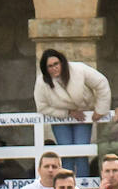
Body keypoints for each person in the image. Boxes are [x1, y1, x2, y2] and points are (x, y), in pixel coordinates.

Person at [34, 49, 111, 177]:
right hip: (60, 118)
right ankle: (65, 188)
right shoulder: (42, 81)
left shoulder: (78, 69)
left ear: (62, 62)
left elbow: (101, 83)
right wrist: (67, 112)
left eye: (56, 64)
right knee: (66, 155)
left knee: (81, 154)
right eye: (50, 66)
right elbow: (42, 107)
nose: (54, 68)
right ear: (45, 68)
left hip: (83, 115)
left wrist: (100, 109)